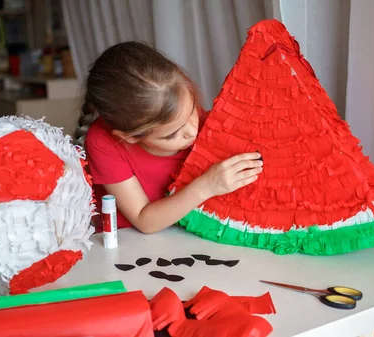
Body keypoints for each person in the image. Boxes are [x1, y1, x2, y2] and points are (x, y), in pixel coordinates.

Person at [75, 41, 263, 234]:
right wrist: (207, 186)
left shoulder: (186, 111)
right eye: (172, 134)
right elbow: (144, 220)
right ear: (129, 137)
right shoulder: (102, 142)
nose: (192, 131)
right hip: (131, 244)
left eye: (192, 112)